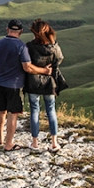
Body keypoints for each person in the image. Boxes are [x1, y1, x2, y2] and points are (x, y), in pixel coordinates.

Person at [0, 19, 52, 151]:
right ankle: (9, 144)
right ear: (21, 32)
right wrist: (45, 71)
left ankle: (0, 138)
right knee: (13, 113)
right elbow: (27, 67)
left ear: (7, 30)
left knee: (0, 110)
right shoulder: (21, 46)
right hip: (15, 85)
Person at [24, 19, 64, 152]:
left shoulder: (29, 46)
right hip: (49, 82)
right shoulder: (54, 47)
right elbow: (60, 59)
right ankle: (54, 142)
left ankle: (35, 143)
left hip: (33, 82)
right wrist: (50, 67)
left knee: (34, 110)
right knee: (51, 111)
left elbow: (26, 64)